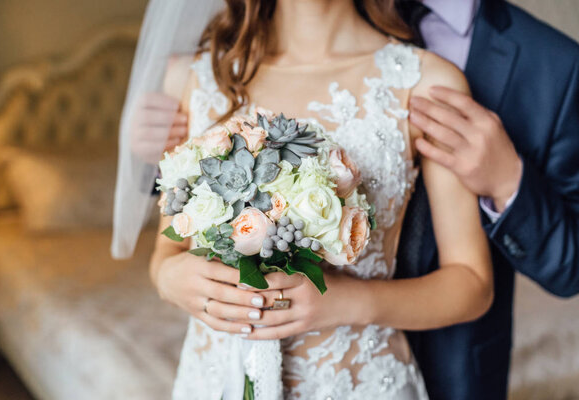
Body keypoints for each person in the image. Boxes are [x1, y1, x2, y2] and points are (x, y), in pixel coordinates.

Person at [137, 0, 496, 398]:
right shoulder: (201, 78)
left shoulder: (423, 81)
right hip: (213, 378)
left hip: (358, 379)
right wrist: (172, 279)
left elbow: (472, 285)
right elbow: (166, 255)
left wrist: (344, 301)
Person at [394, 1, 579, 398]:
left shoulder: (554, 64)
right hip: (316, 348)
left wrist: (508, 181)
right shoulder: (311, 18)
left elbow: (571, 265)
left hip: (456, 366)